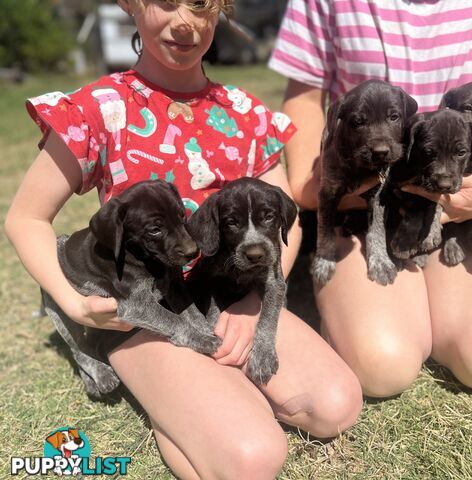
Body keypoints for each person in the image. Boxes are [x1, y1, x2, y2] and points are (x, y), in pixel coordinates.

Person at [4, 1, 363, 478]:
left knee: (336, 406)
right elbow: (26, 219)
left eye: (200, 5)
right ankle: (172, 395)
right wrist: (73, 303)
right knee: (253, 457)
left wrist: (252, 303)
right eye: (166, 2)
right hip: (147, 310)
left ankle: (196, 400)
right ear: (131, 5)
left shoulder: (244, 114)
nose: (185, 21)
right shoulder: (98, 109)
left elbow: (284, 222)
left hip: (229, 293)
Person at [268, 0, 472, 397]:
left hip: (462, 195)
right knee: (382, 365)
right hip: (366, 200)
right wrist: (320, 183)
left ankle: (471, 233)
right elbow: (304, 97)